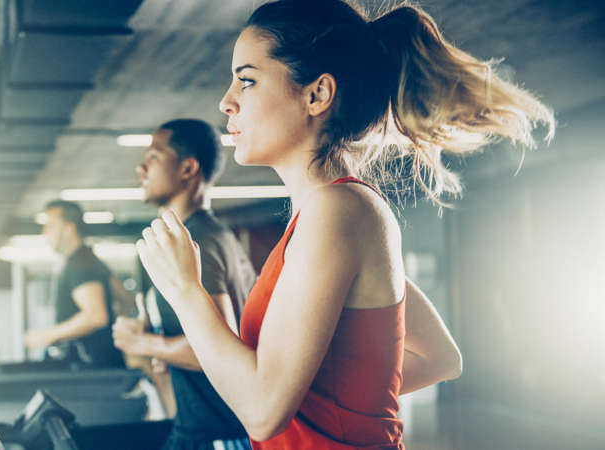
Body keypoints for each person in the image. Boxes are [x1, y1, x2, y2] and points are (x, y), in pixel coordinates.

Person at [135, 1, 555, 449]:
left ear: (316, 95)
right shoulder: (329, 213)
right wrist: (308, 393)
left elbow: (261, 413)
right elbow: (439, 358)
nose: (226, 101)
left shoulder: (338, 211)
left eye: (247, 81)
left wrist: (185, 291)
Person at [112, 119, 257, 450]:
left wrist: (145, 344)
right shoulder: (187, 238)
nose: (141, 167)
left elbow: (220, 348)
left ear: (188, 168)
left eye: (154, 157)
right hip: (196, 428)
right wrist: (163, 346)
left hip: (221, 433)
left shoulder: (200, 241)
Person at [24, 200, 124, 368]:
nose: (44, 232)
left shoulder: (80, 264)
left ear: (69, 229)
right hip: (100, 364)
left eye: (50, 226)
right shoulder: (88, 259)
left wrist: (47, 335)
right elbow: (124, 299)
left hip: (93, 369)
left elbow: (96, 316)